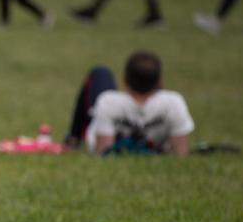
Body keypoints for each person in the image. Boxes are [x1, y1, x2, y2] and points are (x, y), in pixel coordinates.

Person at [64, 51, 193, 156]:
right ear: (159, 82)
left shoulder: (108, 101)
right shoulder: (173, 102)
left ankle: (73, 138)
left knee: (100, 73)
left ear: (125, 80)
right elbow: (181, 152)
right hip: (153, 146)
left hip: (105, 131)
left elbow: (103, 151)